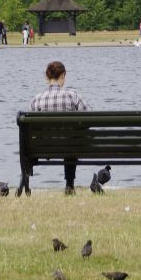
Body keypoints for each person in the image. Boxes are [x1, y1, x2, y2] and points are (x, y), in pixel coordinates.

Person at [28, 60, 89, 193]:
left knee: (70, 140)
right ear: (63, 75)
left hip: (42, 148)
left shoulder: (36, 99)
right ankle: (69, 184)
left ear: (46, 77)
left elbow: (30, 129)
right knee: (72, 141)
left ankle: (25, 183)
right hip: (70, 147)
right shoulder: (73, 95)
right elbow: (89, 118)